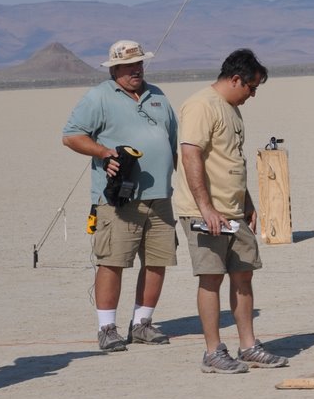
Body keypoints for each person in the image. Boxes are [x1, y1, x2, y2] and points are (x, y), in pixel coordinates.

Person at [175, 49, 288, 374]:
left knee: (243, 275)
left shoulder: (232, 110)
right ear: (235, 78)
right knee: (211, 278)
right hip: (205, 213)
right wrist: (206, 208)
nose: (252, 95)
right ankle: (213, 351)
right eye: (251, 87)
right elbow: (191, 156)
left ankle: (249, 345)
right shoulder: (201, 106)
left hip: (234, 211)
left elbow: (231, 161)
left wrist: (247, 202)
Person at [62, 40, 178, 352]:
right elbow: (71, 135)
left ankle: (142, 323)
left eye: (139, 63)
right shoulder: (99, 96)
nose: (136, 69)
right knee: (112, 261)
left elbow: (172, 138)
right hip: (118, 199)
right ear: (114, 69)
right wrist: (103, 152)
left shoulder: (158, 96)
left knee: (157, 260)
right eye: (129, 66)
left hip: (160, 196)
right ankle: (107, 328)